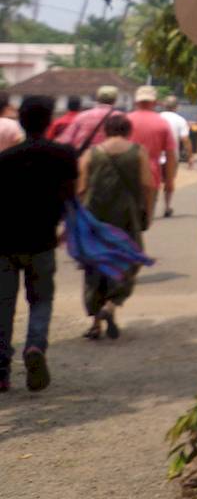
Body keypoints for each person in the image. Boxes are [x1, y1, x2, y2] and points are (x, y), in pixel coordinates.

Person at [0, 96, 78, 392]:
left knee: (3, 306)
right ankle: (35, 346)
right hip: (43, 240)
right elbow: (71, 196)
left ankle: (1, 371)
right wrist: (66, 228)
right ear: (49, 122)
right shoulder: (64, 155)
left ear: (21, 120)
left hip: (4, 243)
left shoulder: (5, 159)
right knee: (41, 300)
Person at [78, 111, 152, 341]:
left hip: (94, 217)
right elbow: (148, 185)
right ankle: (111, 305)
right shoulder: (138, 152)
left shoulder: (91, 153)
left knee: (95, 267)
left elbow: (81, 188)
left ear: (106, 131)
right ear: (128, 131)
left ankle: (95, 324)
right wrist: (147, 212)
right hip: (127, 217)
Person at [126, 86, 178, 225]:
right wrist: (169, 181)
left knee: (124, 219)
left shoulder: (126, 120)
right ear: (155, 102)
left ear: (136, 102)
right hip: (151, 176)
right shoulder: (162, 123)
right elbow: (170, 155)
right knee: (145, 221)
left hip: (125, 174)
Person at [157, 95, 190, 216]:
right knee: (169, 182)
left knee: (154, 182)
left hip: (156, 156)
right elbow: (185, 139)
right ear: (177, 107)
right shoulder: (180, 120)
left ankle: (149, 205)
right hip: (172, 157)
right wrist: (190, 156)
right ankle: (167, 207)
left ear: (164, 105)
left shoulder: (157, 118)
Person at [63, 83, 122, 149]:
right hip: (110, 153)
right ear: (115, 100)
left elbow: (66, 139)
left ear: (97, 98)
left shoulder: (82, 116)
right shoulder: (121, 117)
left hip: (84, 153)